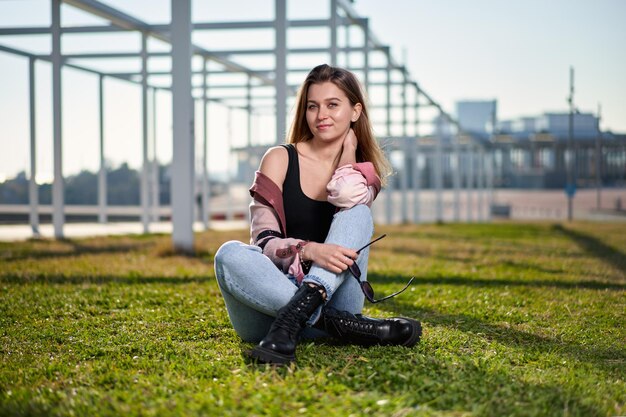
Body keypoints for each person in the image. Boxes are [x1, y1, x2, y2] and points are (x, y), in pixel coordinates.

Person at [214, 64, 421, 365]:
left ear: (355, 111)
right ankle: (347, 327)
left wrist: (349, 152)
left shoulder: (364, 172)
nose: (321, 115)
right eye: (313, 106)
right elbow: (264, 242)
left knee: (358, 215)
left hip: (338, 298)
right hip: (271, 310)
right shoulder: (280, 158)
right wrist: (310, 250)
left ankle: (305, 313)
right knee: (228, 254)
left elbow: (347, 195)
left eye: (333, 105)